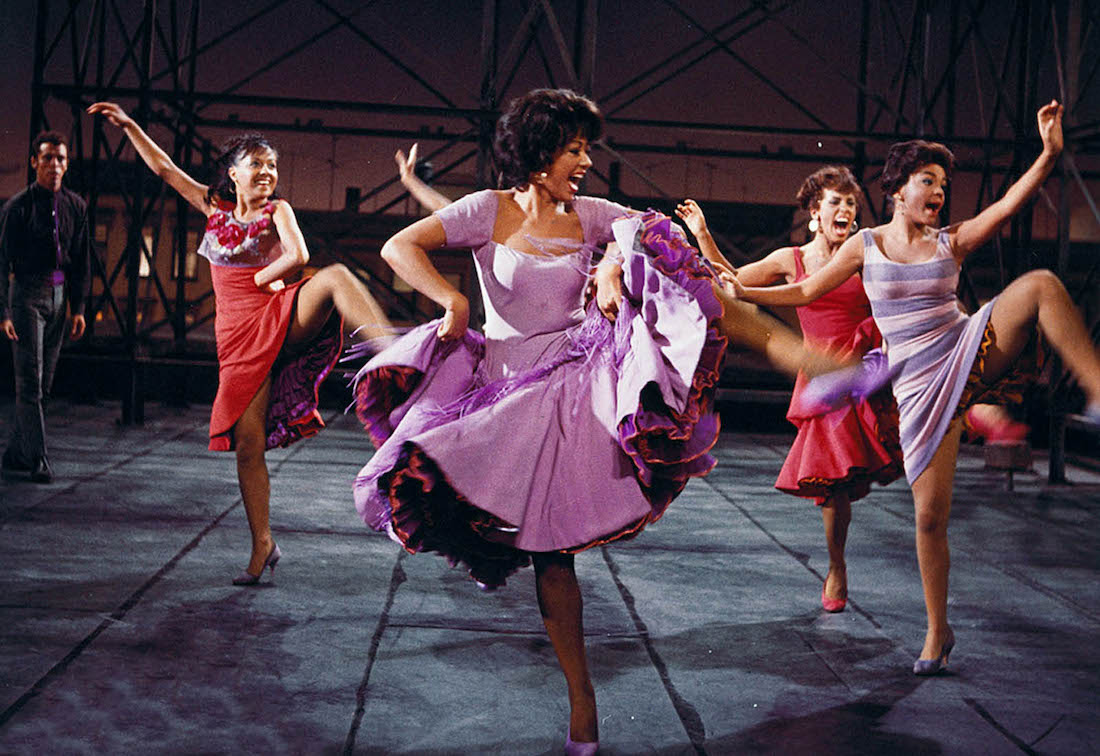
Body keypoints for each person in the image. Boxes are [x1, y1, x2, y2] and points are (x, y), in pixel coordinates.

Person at [354, 88, 734, 755]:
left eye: (587, 148)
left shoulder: (588, 213)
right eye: (574, 148)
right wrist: (451, 300)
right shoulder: (485, 211)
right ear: (538, 155)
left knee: (552, 557)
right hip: (498, 392)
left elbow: (641, 232)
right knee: (493, 529)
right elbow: (397, 247)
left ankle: (581, 702)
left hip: (567, 393)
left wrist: (615, 263)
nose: (586, 161)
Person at [730, 100, 1100, 675]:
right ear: (898, 189)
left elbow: (1006, 206)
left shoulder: (951, 241)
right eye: (928, 181)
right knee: (929, 519)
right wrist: (744, 291)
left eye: (945, 184)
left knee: (1043, 285)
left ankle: (1099, 394)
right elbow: (805, 293)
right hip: (918, 389)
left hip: (965, 350)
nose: (939, 192)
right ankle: (939, 630)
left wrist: (1049, 155)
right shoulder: (867, 246)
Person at [88, 102, 393, 585]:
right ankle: (263, 544)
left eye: (272, 165)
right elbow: (166, 170)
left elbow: (299, 255)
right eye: (257, 165)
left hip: (276, 315)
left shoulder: (280, 211)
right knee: (248, 448)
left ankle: (395, 352)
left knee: (334, 276)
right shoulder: (214, 208)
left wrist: (266, 279)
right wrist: (129, 127)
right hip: (236, 340)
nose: (267, 172)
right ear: (233, 175)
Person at [677, 167, 904, 614]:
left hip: (870, 367)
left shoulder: (866, 255)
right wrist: (703, 236)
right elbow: (734, 281)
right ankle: (836, 567)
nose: (845, 210)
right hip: (823, 382)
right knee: (833, 484)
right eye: (836, 202)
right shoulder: (792, 260)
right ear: (815, 213)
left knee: (899, 458)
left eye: (851, 203)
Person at [1, 131, 90, 484]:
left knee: (45, 382)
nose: (55, 165)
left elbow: (82, 261)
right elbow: (1, 259)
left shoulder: (76, 206)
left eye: (61, 159)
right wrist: (3, 312)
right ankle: (38, 458)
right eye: (48, 158)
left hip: (59, 293)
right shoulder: (18, 206)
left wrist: (78, 307)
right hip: (25, 293)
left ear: (67, 165)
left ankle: (17, 453)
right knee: (30, 383)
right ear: (34, 162)